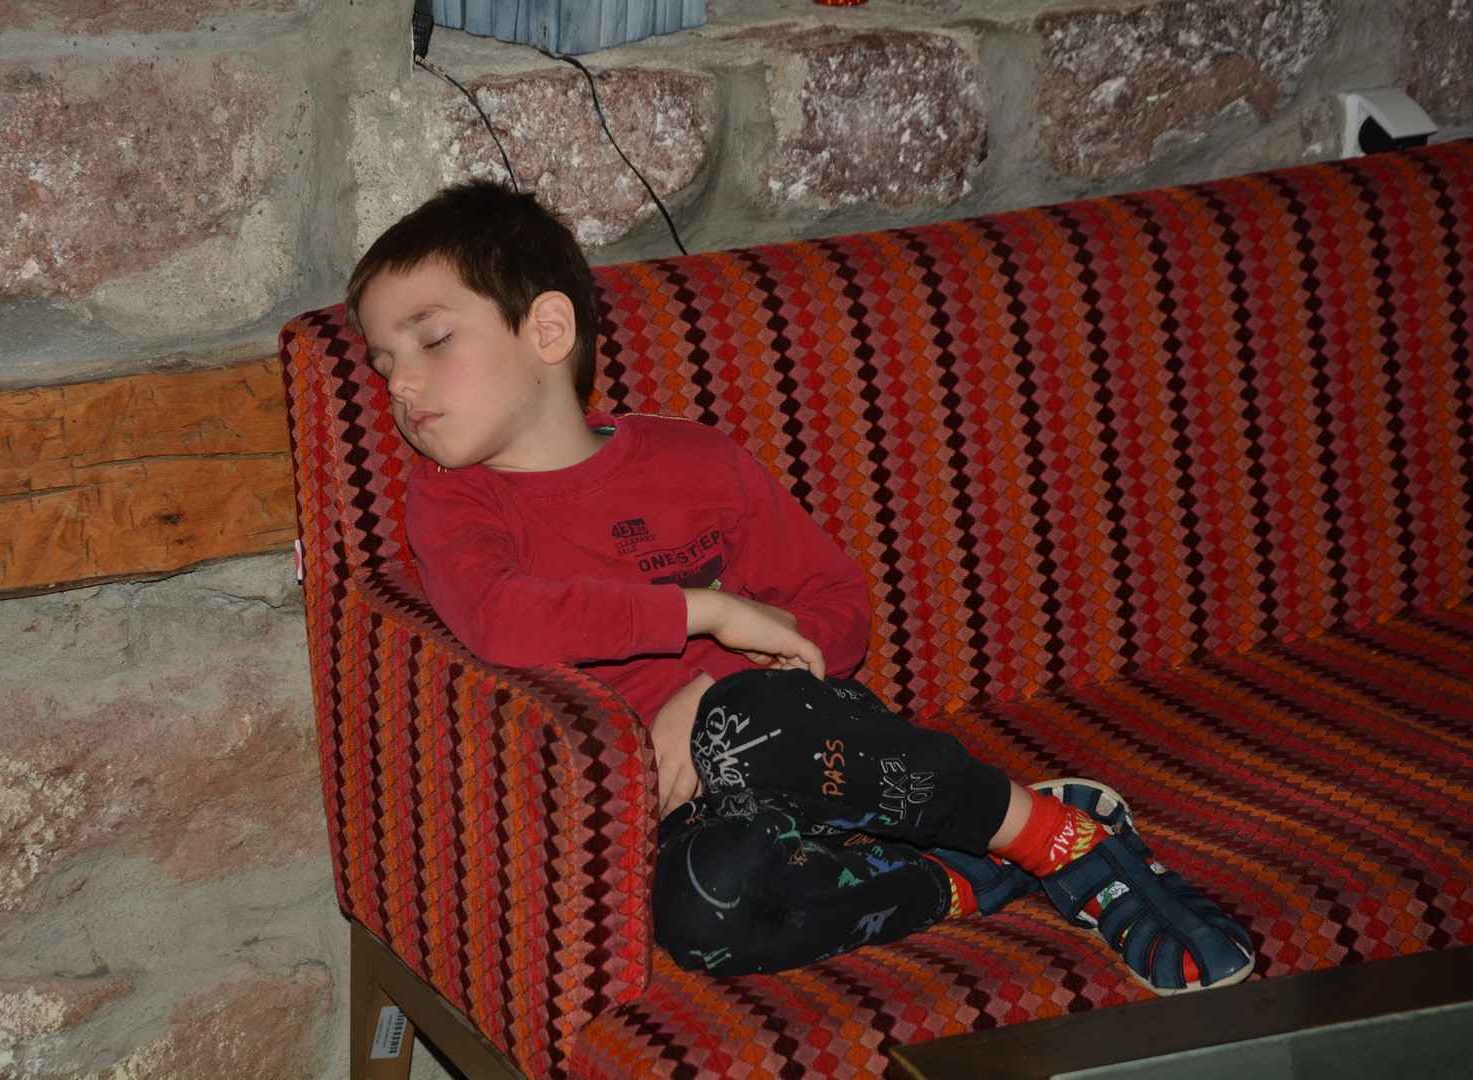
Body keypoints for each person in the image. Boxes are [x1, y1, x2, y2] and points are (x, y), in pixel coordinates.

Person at [345, 178, 1255, 993]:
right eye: (385, 364)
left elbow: (838, 613)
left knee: (743, 721)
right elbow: (501, 619)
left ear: (548, 330)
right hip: (681, 812)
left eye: (432, 338)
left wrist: (710, 688)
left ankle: (1058, 839)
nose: (402, 385)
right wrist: (705, 611)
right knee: (701, 917)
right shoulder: (452, 500)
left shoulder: (695, 461)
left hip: (808, 744)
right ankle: (965, 874)